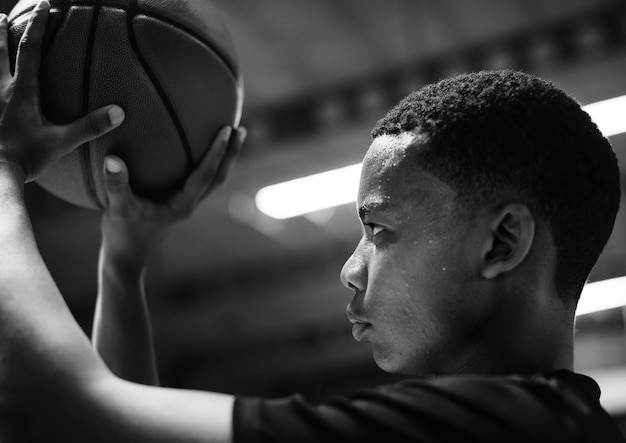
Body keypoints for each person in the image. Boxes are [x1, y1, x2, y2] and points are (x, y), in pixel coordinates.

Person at [0, 1, 623, 441]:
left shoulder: (491, 424)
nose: (351, 271)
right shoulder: (556, 422)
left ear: (503, 241)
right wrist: (124, 255)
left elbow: (60, 414)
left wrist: (4, 164)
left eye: (378, 230)